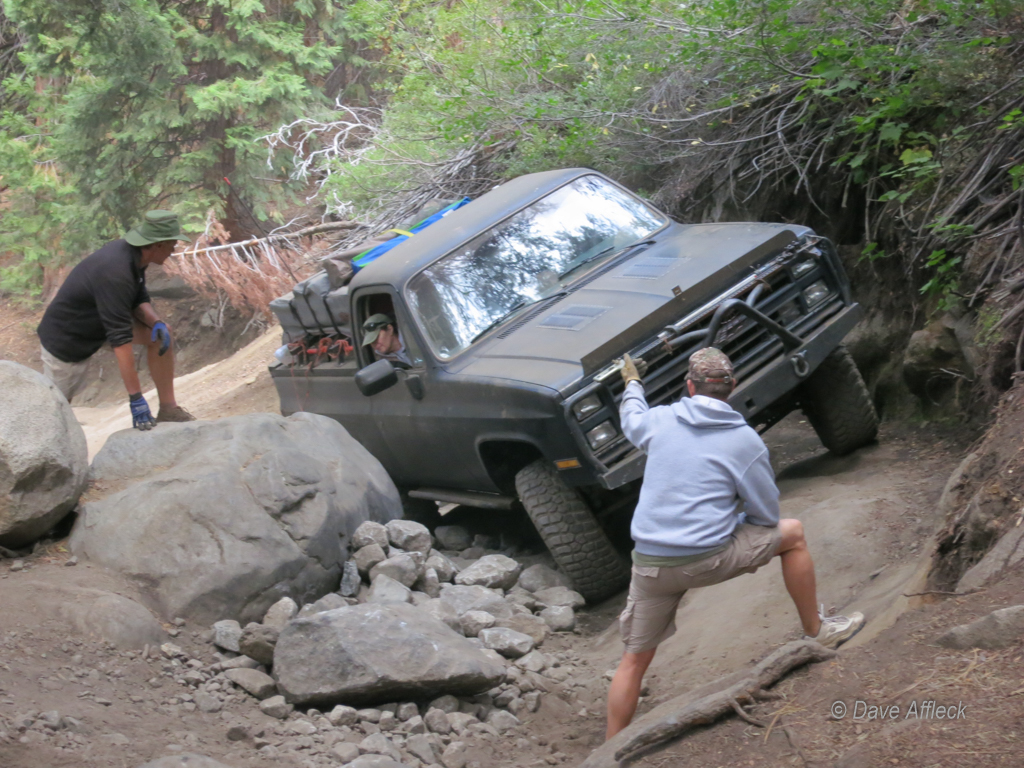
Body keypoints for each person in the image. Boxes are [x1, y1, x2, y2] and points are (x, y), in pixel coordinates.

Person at [605, 347, 865, 740]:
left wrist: (632, 383)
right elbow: (764, 516)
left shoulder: (660, 422)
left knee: (632, 663)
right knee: (791, 534)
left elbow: (632, 418)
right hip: (708, 559)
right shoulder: (745, 441)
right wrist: (727, 520)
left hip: (651, 566)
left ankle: (609, 750)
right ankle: (817, 630)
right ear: (732, 386)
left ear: (689, 386)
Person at [37, 210, 195, 430]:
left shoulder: (138, 257)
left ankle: (168, 409)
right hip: (67, 338)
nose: (173, 250)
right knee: (56, 413)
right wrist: (136, 398)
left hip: (101, 322)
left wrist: (156, 322)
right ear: (158, 244)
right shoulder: (115, 271)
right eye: (172, 245)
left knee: (160, 334)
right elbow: (120, 339)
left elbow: (138, 298)